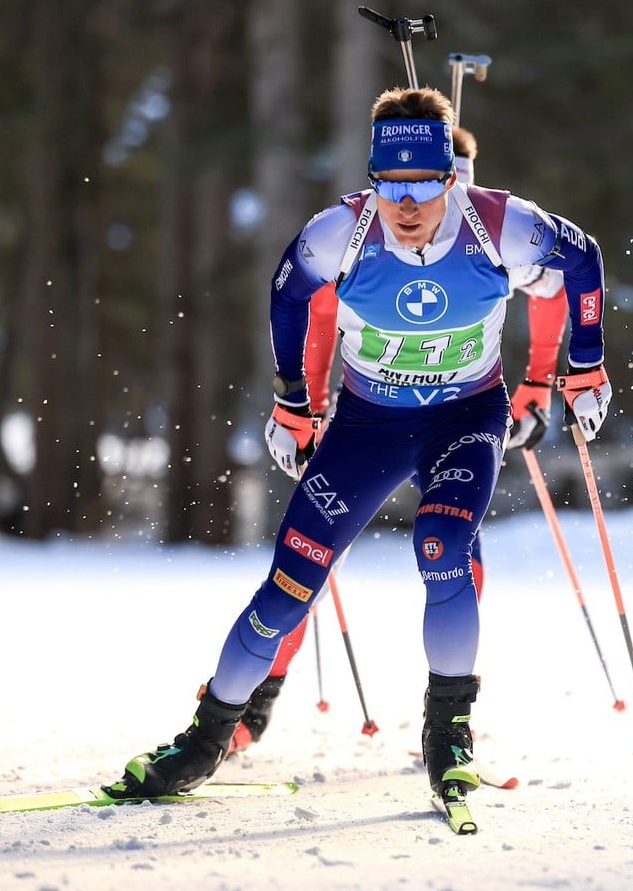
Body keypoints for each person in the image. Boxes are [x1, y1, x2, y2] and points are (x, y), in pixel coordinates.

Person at [106, 86, 612, 807]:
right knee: (286, 590)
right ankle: (205, 738)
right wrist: (292, 399)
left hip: (462, 418)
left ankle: (449, 732)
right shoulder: (337, 233)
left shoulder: (504, 225)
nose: (406, 206)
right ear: (373, 178)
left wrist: (582, 364)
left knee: (442, 547)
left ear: (450, 178)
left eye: (423, 186)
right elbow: (289, 295)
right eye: (390, 185)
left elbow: (583, 260)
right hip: (365, 427)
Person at [227, 124, 572, 755]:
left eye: (461, 183)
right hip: (374, 412)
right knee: (310, 561)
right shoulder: (373, 231)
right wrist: (306, 404)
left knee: (454, 550)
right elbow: (320, 312)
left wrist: (539, 383)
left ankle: (451, 715)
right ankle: (258, 695)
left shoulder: (492, 231)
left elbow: (551, 288)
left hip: (461, 413)